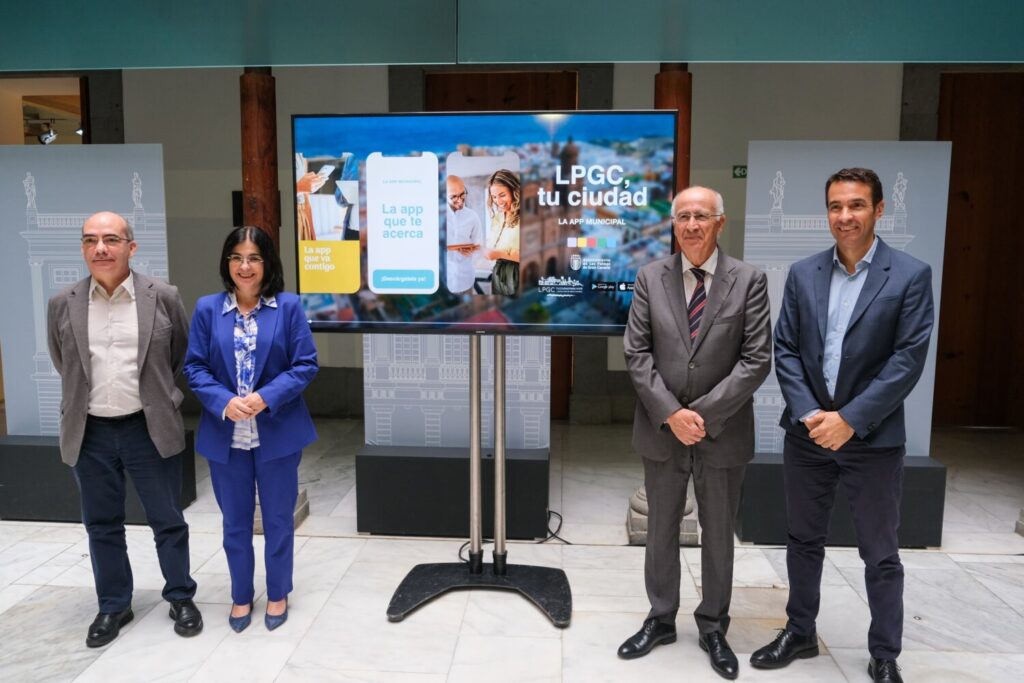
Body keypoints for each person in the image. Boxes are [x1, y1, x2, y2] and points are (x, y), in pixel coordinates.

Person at [750, 168, 934, 683]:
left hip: (872, 439)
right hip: (807, 434)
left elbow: (907, 360)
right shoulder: (805, 272)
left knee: (880, 552)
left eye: (855, 205)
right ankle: (801, 632)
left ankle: (884, 653)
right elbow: (784, 347)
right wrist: (813, 415)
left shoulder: (910, 275)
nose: (844, 216)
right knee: (802, 538)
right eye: (835, 206)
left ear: (879, 210)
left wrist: (850, 420)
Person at [621, 187, 772, 680]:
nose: (691, 225)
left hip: (721, 433)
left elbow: (756, 360)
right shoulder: (649, 278)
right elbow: (637, 354)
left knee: (718, 535)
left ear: (720, 223)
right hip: (663, 431)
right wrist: (671, 414)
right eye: (683, 216)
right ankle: (661, 619)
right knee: (660, 528)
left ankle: (713, 625)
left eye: (701, 216)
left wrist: (701, 415)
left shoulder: (749, 280)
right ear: (673, 224)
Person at [46, 211, 202, 648]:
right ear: (82, 248)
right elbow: (64, 362)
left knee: (167, 519)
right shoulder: (63, 302)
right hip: (90, 431)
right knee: (101, 524)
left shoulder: (163, 296)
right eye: (90, 240)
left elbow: (178, 357)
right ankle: (114, 604)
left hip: (147, 427)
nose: (100, 248)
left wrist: (159, 398)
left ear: (131, 248)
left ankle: (180, 596)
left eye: (111, 239)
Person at [184, 226, 318, 632]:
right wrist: (225, 401)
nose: (245, 266)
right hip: (227, 435)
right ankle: (241, 595)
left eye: (254, 258)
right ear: (227, 263)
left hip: (276, 432)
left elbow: (305, 364)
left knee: (278, 518)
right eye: (237, 258)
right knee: (235, 523)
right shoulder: (208, 309)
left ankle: (278, 592)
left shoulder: (288, 307)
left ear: (267, 264)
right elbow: (194, 367)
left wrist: (265, 397)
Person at [485, 169, 520, 296]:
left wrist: (499, 253)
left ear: (514, 191)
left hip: (517, 275)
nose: (498, 201)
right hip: (498, 274)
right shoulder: (498, 218)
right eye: (494, 197)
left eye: (502, 195)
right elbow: (493, 246)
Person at [445, 175, 482, 294]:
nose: (460, 200)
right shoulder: (438, 216)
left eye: (462, 194)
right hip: (444, 278)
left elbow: (478, 244)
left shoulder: (473, 216)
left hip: (466, 277)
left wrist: (472, 251)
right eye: (454, 197)